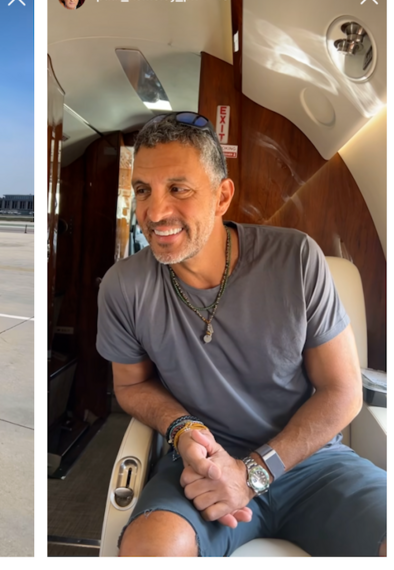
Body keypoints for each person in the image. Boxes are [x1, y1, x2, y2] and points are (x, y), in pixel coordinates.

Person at [96, 112, 386, 557]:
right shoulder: (123, 285)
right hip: (199, 469)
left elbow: (343, 391)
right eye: (143, 191)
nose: (154, 213)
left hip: (310, 463)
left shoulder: (296, 259)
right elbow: (130, 385)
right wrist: (182, 428)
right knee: (150, 549)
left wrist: (253, 474)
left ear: (221, 196)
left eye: (179, 189)